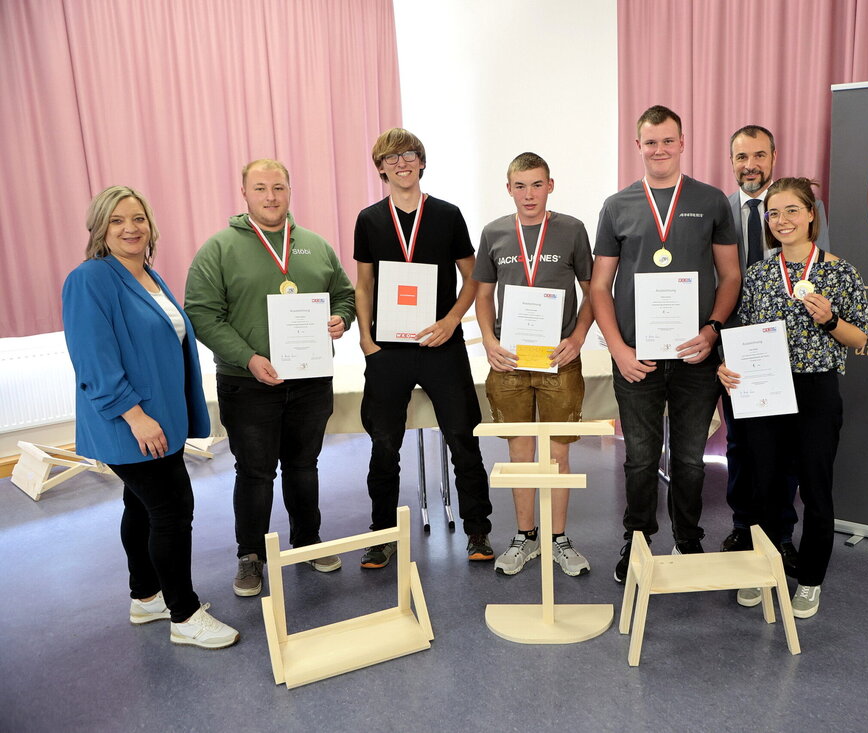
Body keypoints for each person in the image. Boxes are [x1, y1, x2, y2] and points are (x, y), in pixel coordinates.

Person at [62, 185, 238, 649]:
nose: (130, 228)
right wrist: (135, 416)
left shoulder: (148, 276)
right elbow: (94, 359)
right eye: (117, 220)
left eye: (137, 218)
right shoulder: (91, 279)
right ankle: (184, 614)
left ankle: (146, 597)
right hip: (131, 422)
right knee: (172, 510)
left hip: (160, 419)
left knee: (141, 505)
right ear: (100, 228)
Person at [185, 160, 356, 597]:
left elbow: (344, 293)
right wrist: (248, 357)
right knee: (256, 472)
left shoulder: (315, 246)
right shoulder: (218, 249)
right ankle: (250, 556)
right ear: (244, 193)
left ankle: (308, 541)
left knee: (304, 466)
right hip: (248, 383)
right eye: (260, 188)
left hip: (310, 380)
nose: (271, 196)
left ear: (289, 191)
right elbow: (203, 314)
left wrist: (340, 318)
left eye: (278, 187)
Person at [590, 105, 741, 583]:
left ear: (682, 142)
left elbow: (731, 274)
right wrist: (618, 350)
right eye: (650, 142)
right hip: (637, 357)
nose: (659, 149)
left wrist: (712, 329)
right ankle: (635, 540)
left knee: (692, 458)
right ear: (638, 147)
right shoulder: (617, 206)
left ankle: (689, 537)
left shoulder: (711, 200)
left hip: (696, 355)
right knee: (639, 457)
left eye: (668, 140)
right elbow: (599, 287)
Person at [718, 177, 868, 619]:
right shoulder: (761, 273)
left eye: (791, 211)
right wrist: (725, 365)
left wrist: (830, 320)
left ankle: (811, 580)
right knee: (762, 484)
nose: (782, 220)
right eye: (774, 213)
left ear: (810, 215)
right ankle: (760, 568)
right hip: (765, 390)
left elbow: (859, 339)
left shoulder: (840, 271)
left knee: (816, 489)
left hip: (816, 389)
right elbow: (741, 333)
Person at [353, 128, 494, 566]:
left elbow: (474, 276)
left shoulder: (448, 215)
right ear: (380, 168)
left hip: (441, 345)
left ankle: (477, 530)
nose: (401, 163)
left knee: (463, 438)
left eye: (409, 155)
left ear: (422, 161)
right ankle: (382, 533)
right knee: (383, 444)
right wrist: (365, 339)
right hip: (389, 351)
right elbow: (364, 284)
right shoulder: (369, 219)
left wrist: (453, 320)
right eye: (391, 158)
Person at [473, 152, 595, 576]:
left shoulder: (572, 230)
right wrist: (488, 340)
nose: (529, 194)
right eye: (520, 186)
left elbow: (593, 290)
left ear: (551, 185)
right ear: (508, 189)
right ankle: (525, 537)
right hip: (509, 361)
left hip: (559, 359)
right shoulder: (493, 234)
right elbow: (483, 295)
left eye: (537, 184)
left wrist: (578, 338)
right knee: (520, 451)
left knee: (558, 452)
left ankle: (558, 538)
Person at [720, 125, 832, 577]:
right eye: (742, 156)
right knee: (739, 444)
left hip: (788, 350)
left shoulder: (804, 206)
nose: (751, 165)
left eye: (759, 155)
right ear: (731, 162)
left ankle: (781, 534)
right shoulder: (718, 209)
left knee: (783, 449)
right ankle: (744, 525)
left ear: (773, 156)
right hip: (734, 344)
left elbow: (818, 267)